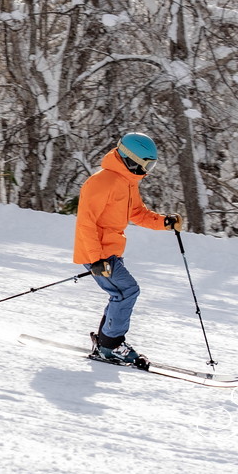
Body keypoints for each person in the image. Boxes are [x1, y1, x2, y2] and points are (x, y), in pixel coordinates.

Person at [72, 132, 183, 366]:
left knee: (120, 293)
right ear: (131, 159)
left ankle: (105, 341)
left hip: (110, 252)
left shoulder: (127, 182)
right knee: (126, 291)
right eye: (146, 164)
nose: (148, 170)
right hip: (98, 253)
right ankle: (109, 345)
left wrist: (164, 222)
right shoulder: (101, 182)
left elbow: (137, 213)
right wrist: (95, 260)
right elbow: (86, 222)